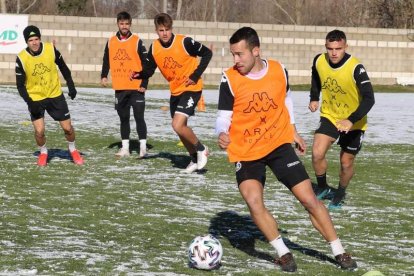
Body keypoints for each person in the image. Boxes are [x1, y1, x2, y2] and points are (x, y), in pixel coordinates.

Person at [216, 27, 357, 272]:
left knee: (309, 199)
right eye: (233, 55)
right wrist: (222, 132)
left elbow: (286, 99)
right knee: (253, 200)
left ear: (256, 51)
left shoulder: (279, 70)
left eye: (240, 54)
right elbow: (222, 116)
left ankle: (339, 251)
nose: (235, 60)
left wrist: (293, 130)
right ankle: (283, 252)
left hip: (277, 144)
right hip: (247, 150)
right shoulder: (229, 78)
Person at [131, 13, 212, 173]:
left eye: (167, 29)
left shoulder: (184, 42)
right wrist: (139, 74)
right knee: (179, 128)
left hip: (191, 88)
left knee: (177, 124)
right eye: (161, 30)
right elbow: (149, 70)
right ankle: (194, 159)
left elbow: (207, 53)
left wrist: (195, 76)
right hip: (175, 92)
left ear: (171, 28)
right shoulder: (155, 48)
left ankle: (201, 148)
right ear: (156, 31)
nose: (165, 33)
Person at [309, 29, 375, 209]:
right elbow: (316, 75)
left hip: (354, 123)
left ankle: (340, 192)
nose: (334, 53)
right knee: (317, 152)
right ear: (326, 47)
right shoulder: (319, 60)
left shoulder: (356, 68)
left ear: (345, 46)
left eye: (338, 48)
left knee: (346, 163)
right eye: (330, 49)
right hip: (330, 115)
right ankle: (322, 188)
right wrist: (314, 97)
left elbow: (370, 98)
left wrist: (351, 120)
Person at [15, 25, 84, 167]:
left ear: (40, 39)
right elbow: (20, 85)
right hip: (35, 99)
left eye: (36, 39)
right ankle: (43, 152)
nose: (34, 42)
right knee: (39, 132)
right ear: (26, 42)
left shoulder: (50, 49)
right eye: (31, 40)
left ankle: (73, 149)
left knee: (68, 128)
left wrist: (71, 85)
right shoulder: (21, 58)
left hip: (55, 95)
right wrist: (29, 102)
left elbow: (64, 67)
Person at [101, 11, 149, 158]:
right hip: (120, 87)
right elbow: (106, 59)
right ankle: (125, 148)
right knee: (123, 118)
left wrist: (144, 82)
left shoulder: (137, 41)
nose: (124, 26)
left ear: (130, 24)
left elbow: (146, 63)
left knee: (139, 117)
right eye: (122, 24)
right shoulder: (111, 41)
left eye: (127, 24)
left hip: (136, 87)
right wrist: (104, 75)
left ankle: (143, 147)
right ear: (118, 24)